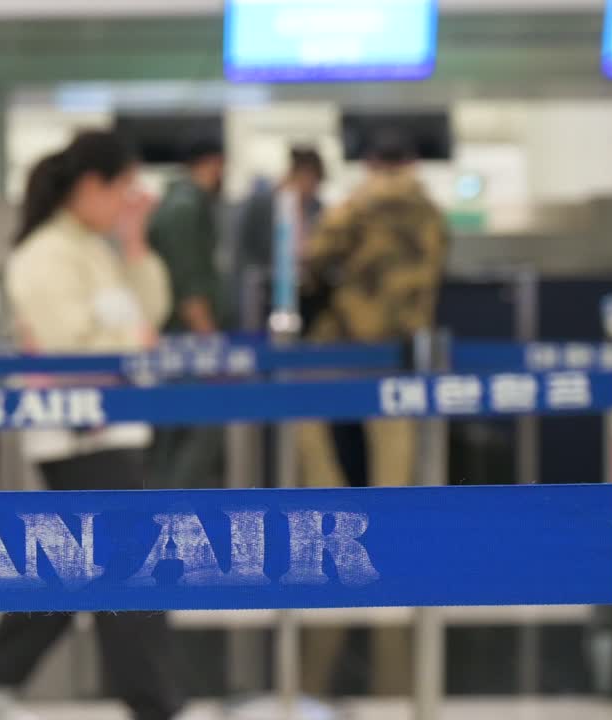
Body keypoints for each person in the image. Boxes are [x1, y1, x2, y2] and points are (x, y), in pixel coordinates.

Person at [0, 131, 190, 720]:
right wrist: (131, 341)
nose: (132, 200)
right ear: (90, 186)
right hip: (78, 431)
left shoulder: (100, 250)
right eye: (124, 189)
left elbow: (151, 314)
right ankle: (157, 704)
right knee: (129, 565)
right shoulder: (45, 254)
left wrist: (136, 244)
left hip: (115, 427)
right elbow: (69, 346)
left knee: (72, 564)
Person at [294, 129, 451, 698]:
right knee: (396, 448)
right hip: (405, 346)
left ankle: (330, 523)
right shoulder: (431, 211)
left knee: (309, 425)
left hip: (345, 345)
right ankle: (391, 547)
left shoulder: (355, 205)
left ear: (368, 163)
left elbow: (313, 258)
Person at [146, 138, 226, 491]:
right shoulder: (184, 207)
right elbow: (189, 282)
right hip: (186, 339)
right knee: (196, 429)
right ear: (213, 163)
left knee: (175, 433)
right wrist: (211, 342)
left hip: (178, 337)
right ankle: (173, 511)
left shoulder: (177, 202)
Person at [235, 147, 327, 325]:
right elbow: (247, 249)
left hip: (306, 291)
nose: (312, 188)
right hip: (267, 290)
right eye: (310, 180)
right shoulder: (262, 205)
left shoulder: (317, 208)